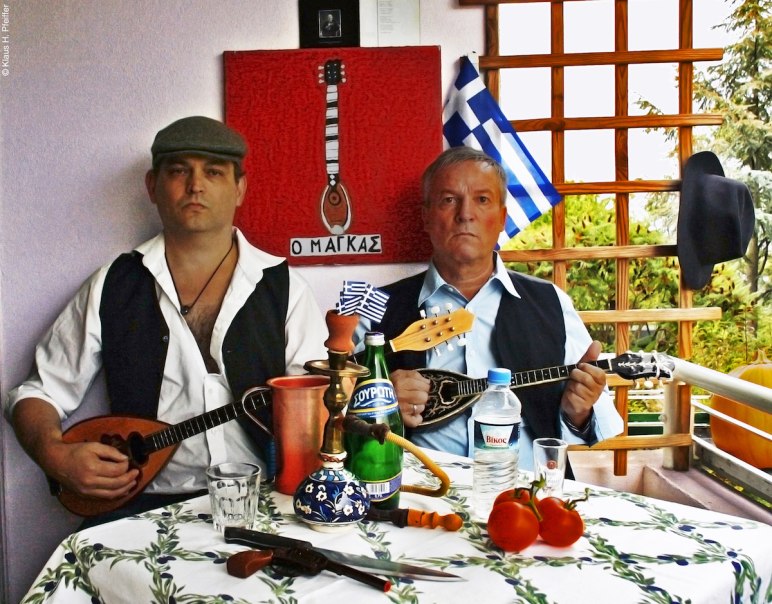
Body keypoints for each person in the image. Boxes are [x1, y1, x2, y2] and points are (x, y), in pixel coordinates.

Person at [4, 116, 328, 524]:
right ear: (152, 186)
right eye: (179, 171)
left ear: (240, 188)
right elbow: (38, 392)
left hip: (267, 500)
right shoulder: (113, 285)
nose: (196, 185)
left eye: (213, 172)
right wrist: (55, 455)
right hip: (140, 507)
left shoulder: (285, 289)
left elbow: (317, 408)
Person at [355, 147, 623, 477]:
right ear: (425, 216)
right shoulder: (374, 306)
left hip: (525, 496)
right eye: (448, 200)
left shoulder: (551, 303)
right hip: (416, 492)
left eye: (482, 200)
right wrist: (379, 400)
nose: (465, 214)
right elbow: (336, 416)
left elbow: (594, 424)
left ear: (502, 219)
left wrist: (578, 412)